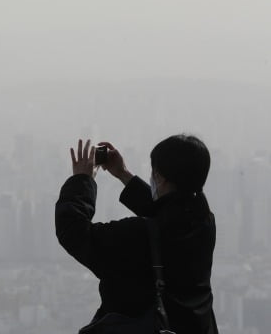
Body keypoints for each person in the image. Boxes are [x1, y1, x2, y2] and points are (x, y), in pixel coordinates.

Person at [55, 135, 219, 334]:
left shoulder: (136, 237)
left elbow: (73, 232)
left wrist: (82, 179)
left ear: (161, 178)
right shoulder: (204, 224)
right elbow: (168, 215)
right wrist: (123, 174)